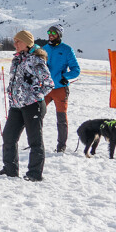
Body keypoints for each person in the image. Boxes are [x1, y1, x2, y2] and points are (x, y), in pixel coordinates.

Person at [0, 30, 55, 181]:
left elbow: (49, 84)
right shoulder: (16, 59)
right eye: (15, 41)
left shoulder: (36, 60)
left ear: (27, 43)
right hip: (16, 105)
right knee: (9, 136)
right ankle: (10, 169)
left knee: (35, 141)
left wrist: (33, 96)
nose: (15, 44)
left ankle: (34, 174)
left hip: (32, 105)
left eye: (18, 41)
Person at [38, 24, 82, 152]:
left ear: (59, 35)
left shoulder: (67, 50)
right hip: (45, 89)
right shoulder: (44, 49)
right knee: (37, 116)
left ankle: (61, 146)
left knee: (61, 119)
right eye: (49, 32)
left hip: (60, 89)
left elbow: (76, 70)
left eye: (54, 33)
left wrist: (65, 76)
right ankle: (36, 143)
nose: (50, 35)